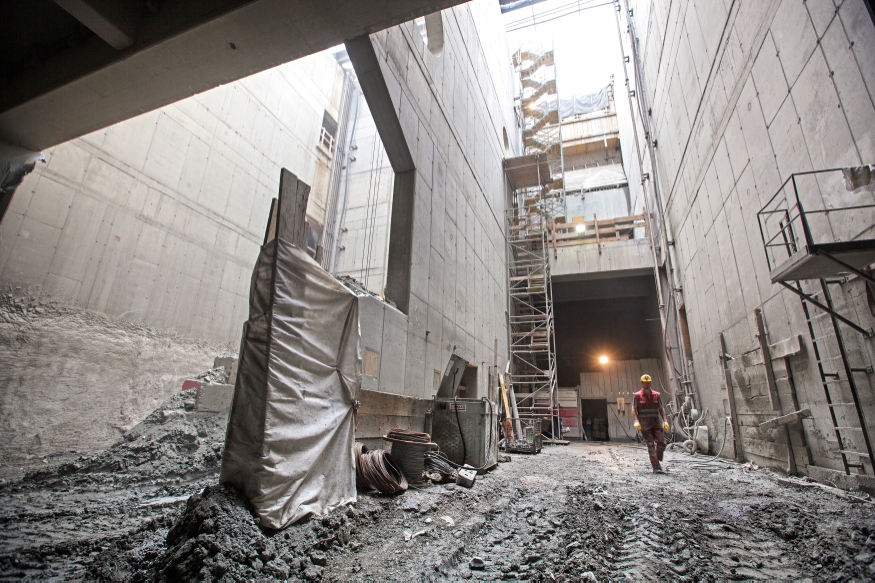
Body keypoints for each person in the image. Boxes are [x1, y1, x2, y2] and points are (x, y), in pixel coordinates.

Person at [632, 374, 671, 474]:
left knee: (662, 442)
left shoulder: (656, 395)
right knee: (650, 445)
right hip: (645, 424)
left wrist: (665, 420)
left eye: (648, 383)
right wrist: (636, 420)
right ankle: (656, 467)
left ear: (651, 382)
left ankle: (657, 460)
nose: (647, 384)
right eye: (645, 383)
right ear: (642, 383)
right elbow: (634, 409)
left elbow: (661, 408)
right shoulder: (637, 395)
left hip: (656, 423)